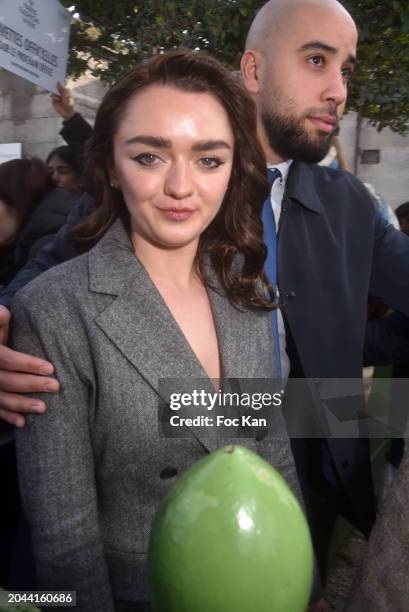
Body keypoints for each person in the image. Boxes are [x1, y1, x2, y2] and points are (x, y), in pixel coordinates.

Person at [1, 0, 409, 594]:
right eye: (316, 60)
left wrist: (351, 382)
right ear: (253, 69)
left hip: (291, 481)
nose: (338, 91)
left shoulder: (349, 205)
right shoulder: (143, 199)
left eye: (346, 69)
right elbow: (43, 287)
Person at [11, 50, 305, 610]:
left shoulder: (250, 291)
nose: (180, 186)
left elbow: (272, 452)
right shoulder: (54, 310)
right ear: (112, 169)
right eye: (150, 157)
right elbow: (64, 537)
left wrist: (303, 583)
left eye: (208, 160)